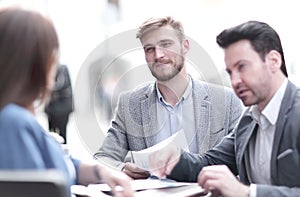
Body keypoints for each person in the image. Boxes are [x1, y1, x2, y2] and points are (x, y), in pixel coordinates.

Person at [148, 20, 300, 197]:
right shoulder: (249, 120)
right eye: (230, 72)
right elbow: (210, 163)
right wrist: (176, 159)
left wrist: (247, 193)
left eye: (242, 67)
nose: (234, 81)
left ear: (274, 61)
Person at [0, 7, 133, 197]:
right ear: (35, 65)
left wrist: (101, 172)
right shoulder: (13, 122)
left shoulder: (15, 118)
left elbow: (67, 166)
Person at [94, 16, 242, 179]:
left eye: (166, 44)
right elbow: (103, 159)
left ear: (185, 46)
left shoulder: (226, 101)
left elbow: (241, 160)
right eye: (149, 48)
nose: (158, 55)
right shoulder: (130, 104)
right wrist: (122, 168)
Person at [45, 64, 73, 144]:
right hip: (52, 110)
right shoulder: (50, 69)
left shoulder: (62, 69)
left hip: (62, 110)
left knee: (62, 134)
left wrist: (50, 87)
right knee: (52, 134)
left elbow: (60, 84)